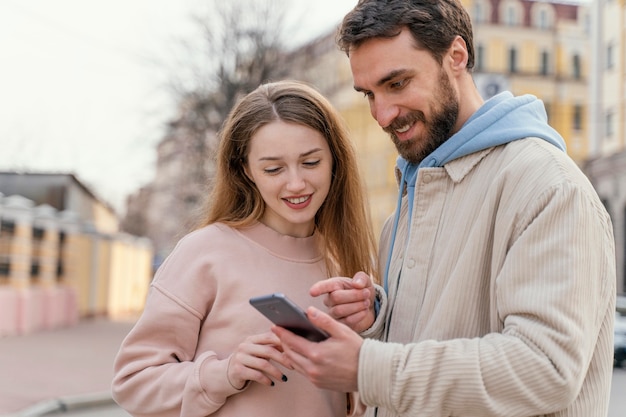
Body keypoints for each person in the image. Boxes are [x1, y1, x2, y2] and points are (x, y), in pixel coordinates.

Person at [272, 1, 617, 416]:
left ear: (456, 56)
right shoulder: (409, 201)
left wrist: (369, 367)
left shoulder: (547, 186)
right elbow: (434, 346)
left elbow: (545, 369)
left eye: (397, 84)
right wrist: (375, 319)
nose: (382, 115)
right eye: (369, 94)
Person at [111, 80, 377, 417]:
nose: (296, 183)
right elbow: (133, 383)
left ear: (335, 161)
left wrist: (371, 329)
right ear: (245, 170)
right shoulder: (205, 252)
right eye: (273, 169)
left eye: (311, 163)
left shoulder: (351, 264)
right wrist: (225, 373)